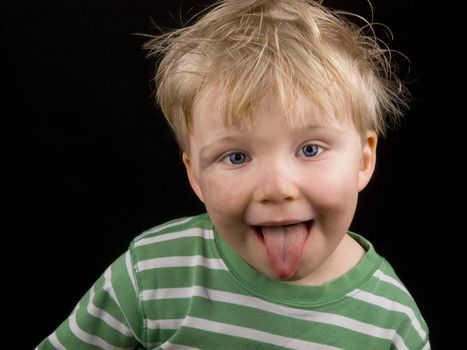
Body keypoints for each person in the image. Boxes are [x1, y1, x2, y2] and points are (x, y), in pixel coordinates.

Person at [36, 0, 430, 349]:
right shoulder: (151, 273)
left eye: (310, 149)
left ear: (363, 160)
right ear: (196, 177)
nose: (277, 189)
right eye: (237, 156)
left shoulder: (391, 323)